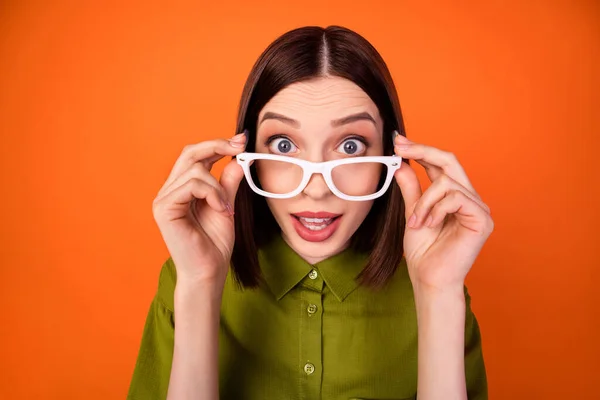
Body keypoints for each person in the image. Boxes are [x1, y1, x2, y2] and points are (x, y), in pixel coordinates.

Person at [127, 25, 494, 400]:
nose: (315, 188)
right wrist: (200, 285)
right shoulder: (186, 278)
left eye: (351, 146)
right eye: (284, 144)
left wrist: (438, 294)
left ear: (392, 157)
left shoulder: (440, 290)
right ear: (247, 156)